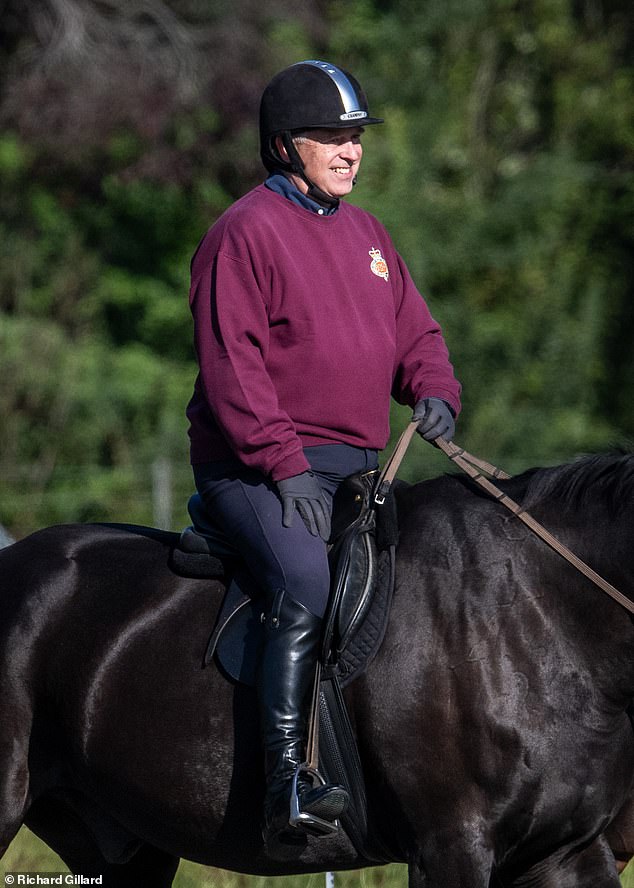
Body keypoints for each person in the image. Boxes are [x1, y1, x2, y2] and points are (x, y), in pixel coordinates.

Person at [186, 59, 462, 856]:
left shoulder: (371, 236)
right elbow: (231, 365)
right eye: (331, 138)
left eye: (355, 137)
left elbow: (418, 335)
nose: (350, 151)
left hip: (353, 467)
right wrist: (283, 464)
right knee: (306, 578)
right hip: (255, 465)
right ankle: (288, 786)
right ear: (283, 147)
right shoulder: (243, 233)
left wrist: (435, 387)